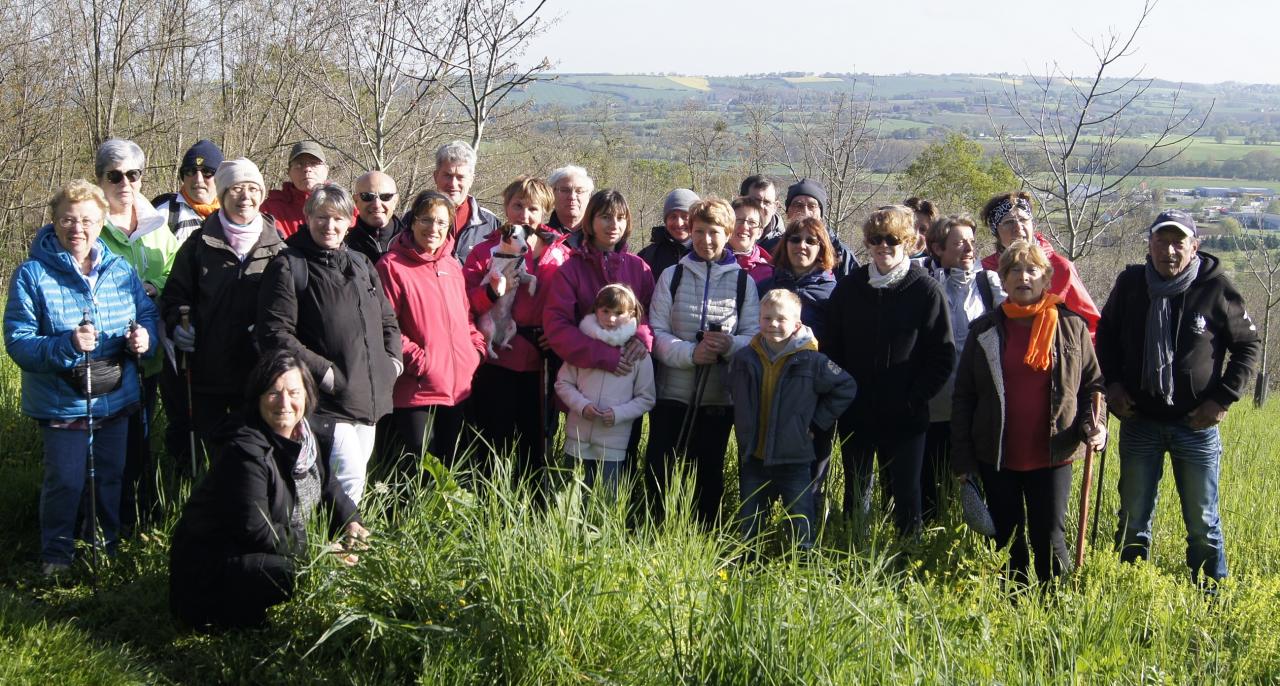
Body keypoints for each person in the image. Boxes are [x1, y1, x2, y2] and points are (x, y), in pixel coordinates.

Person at [1097, 210, 1260, 586]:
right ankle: (1131, 587)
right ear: (1149, 245)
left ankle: (1211, 593)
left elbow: (1248, 344)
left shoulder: (1215, 286)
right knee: (1133, 517)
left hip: (1195, 425)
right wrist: (1114, 385)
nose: (1169, 251)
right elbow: (1105, 335)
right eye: (1161, 241)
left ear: (1194, 247)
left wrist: (1222, 399)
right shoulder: (1131, 283)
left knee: (1203, 521)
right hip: (1140, 422)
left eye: (1178, 242)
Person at [4, 180, 158, 575]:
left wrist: (145, 337)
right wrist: (68, 344)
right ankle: (56, 556)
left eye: (87, 220)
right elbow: (19, 343)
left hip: (116, 395)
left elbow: (147, 315)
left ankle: (101, 549)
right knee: (66, 482)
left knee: (109, 478)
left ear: (101, 222)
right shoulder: (32, 275)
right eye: (68, 220)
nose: (78, 228)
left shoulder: (119, 269)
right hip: (63, 401)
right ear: (54, 222)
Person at [168, 351, 367, 629]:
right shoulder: (245, 449)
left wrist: (352, 521)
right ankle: (233, 620)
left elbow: (328, 485)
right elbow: (255, 529)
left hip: (262, 553)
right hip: (214, 569)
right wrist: (321, 551)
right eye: (274, 393)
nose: (285, 403)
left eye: (294, 392)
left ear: (307, 396)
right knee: (303, 571)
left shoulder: (307, 437)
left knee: (350, 562)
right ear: (258, 396)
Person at [951, 240, 1106, 583]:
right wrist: (962, 460)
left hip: (1053, 453)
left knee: (1049, 536)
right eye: (1014, 270)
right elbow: (964, 398)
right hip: (998, 455)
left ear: (1046, 278)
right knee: (1007, 539)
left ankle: (1056, 607)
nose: (1024, 277)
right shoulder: (985, 330)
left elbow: (1093, 387)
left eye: (1032, 270)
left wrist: (1095, 427)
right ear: (1002, 280)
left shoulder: (1071, 325)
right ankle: (1015, 606)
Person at [257, 184, 401, 505]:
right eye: (321, 217)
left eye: (337, 218)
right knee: (347, 477)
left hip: (368, 395)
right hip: (325, 400)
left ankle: (337, 544)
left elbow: (387, 320)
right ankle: (343, 548)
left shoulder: (361, 264)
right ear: (307, 218)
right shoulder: (290, 265)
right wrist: (326, 374)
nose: (329, 225)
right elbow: (274, 334)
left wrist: (392, 363)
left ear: (350, 220)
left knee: (351, 479)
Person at [822, 205, 953, 535]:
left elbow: (943, 356)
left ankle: (907, 563)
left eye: (892, 239)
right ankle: (855, 556)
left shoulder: (926, 291)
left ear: (907, 241)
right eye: (876, 239)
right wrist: (845, 393)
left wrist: (913, 399)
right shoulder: (850, 288)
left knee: (906, 497)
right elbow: (830, 348)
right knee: (858, 496)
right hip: (857, 413)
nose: (883, 246)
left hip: (906, 418)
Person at [647, 196, 761, 527]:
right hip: (671, 393)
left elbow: (753, 338)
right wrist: (689, 354)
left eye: (713, 232)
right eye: (699, 231)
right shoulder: (673, 276)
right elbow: (657, 332)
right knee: (660, 469)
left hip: (717, 398)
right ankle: (655, 530)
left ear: (727, 233)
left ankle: (703, 537)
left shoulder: (743, 282)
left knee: (707, 475)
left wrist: (728, 345)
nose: (705, 240)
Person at [161, 158, 284, 451]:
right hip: (207, 372)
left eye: (253, 189)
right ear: (223, 194)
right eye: (236, 189)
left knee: (252, 454)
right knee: (209, 455)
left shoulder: (279, 248)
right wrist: (178, 324)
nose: (246, 197)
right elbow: (174, 298)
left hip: (258, 374)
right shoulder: (197, 245)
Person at [462, 177, 573, 486]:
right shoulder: (485, 251)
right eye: (518, 206)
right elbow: (465, 301)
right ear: (506, 207)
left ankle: (533, 509)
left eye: (533, 208)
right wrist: (492, 295)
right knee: (492, 442)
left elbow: (573, 304)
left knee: (535, 447)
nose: (524, 214)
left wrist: (558, 335)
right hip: (496, 359)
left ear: (546, 211)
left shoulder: (562, 254)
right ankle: (488, 507)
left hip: (542, 362)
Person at [729, 289, 856, 550]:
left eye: (781, 319)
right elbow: (733, 389)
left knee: (800, 520)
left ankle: (802, 563)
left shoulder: (813, 361)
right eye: (766, 318)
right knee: (750, 523)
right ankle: (749, 562)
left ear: (797, 324)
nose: (773, 324)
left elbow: (846, 387)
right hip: (754, 456)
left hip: (794, 458)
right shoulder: (744, 358)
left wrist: (817, 423)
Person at [93, 138, 177, 531]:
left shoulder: (157, 225)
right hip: (105, 353)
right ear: (101, 179)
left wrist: (155, 287)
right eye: (114, 175)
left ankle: (138, 513)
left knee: (141, 436)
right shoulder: (90, 225)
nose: (124, 183)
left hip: (149, 351)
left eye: (133, 174)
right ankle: (101, 520)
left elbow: (174, 269)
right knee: (108, 443)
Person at [544, 190, 656, 469]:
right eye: (605, 217)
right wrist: (602, 356)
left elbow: (652, 314)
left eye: (620, 218)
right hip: (583, 381)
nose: (613, 225)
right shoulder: (572, 269)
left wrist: (642, 337)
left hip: (626, 387)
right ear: (590, 220)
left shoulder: (639, 268)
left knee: (620, 463)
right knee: (576, 464)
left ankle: (616, 511)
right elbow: (557, 325)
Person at [378, 191, 486, 476]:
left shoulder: (452, 265)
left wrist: (474, 351)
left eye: (441, 222)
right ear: (412, 222)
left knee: (448, 473)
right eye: (426, 220)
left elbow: (466, 317)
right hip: (416, 389)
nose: (433, 229)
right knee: (417, 474)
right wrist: (422, 363)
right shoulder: (391, 266)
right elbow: (385, 326)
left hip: (457, 388)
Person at [921, 214, 1005, 523]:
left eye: (971, 241)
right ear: (938, 249)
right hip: (936, 405)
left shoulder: (988, 282)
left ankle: (982, 534)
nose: (968, 248)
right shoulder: (925, 284)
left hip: (978, 403)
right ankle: (933, 533)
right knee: (932, 478)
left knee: (980, 477)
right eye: (959, 243)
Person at [758, 216, 841, 514]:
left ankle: (807, 543)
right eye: (795, 239)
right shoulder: (766, 288)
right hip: (768, 392)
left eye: (811, 240)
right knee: (763, 472)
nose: (801, 246)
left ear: (822, 248)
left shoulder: (835, 293)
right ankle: (759, 535)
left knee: (812, 476)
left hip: (813, 397)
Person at [554, 284, 656, 495]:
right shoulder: (583, 347)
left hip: (613, 443)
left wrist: (618, 414)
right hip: (577, 439)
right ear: (595, 311)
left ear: (632, 314)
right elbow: (562, 383)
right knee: (569, 497)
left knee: (606, 499)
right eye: (605, 311)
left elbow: (646, 398)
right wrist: (582, 406)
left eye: (618, 313)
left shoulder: (637, 354)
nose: (610, 319)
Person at [979, 191, 1100, 336]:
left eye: (1023, 220)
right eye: (1009, 222)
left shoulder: (1060, 267)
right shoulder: (984, 271)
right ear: (996, 231)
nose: (1018, 227)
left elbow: (1091, 325)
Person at [433, 140, 499, 262]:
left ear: (471, 180)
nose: (453, 184)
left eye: (460, 177)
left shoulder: (490, 224)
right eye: (447, 175)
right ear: (436, 176)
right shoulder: (414, 219)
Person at [784, 178, 858, 280]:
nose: (805, 212)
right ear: (788, 212)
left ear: (821, 213)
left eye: (812, 206)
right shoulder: (774, 247)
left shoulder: (841, 254)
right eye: (798, 205)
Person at [153, 139, 224, 244]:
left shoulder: (232, 214)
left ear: (220, 177)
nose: (198, 179)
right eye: (191, 171)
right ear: (183, 176)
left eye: (207, 172)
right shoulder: (163, 214)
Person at [261, 141, 330, 239]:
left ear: (326, 170)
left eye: (314, 163)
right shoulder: (269, 211)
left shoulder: (343, 207)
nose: (307, 169)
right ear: (288, 172)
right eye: (299, 165)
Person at [346, 170, 403, 265]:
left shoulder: (412, 241)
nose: (377, 204)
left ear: (395, 201)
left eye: (385, 196)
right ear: (356, 201)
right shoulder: (344, 245)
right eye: (367, 196)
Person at [637, 188, 697, 278]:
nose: (679, 223)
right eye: (673, 217)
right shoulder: (647, 256)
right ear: (665, 221)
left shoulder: (709, 253)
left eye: (685, 216)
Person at [729, 195, 773, 286]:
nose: (744, 226)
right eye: (738, 220)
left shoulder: (769, 272)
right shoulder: (711, 260)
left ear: (760, 232)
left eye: (752, 222)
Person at [547, 164, 594, 236]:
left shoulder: (601, 237)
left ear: (589, 196)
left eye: (579, 191)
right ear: (552, 193)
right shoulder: (539, 238)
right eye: (564, 190)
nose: (572, 197)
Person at [741, 175, 783, 253]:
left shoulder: (784, 246)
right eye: (754, 201)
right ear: (740, 201)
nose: (760, 206)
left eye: (767, 202)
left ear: (775, 207)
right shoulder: (722, 234)